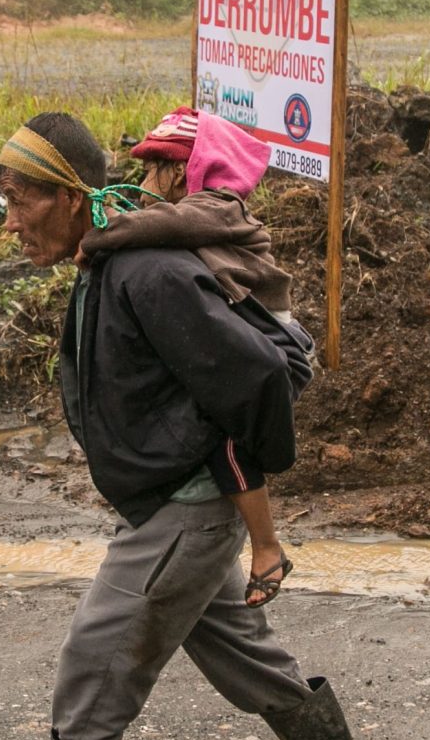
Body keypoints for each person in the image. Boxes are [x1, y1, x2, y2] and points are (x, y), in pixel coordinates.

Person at [0, 111, 374, 740]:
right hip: (173, 501)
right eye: (6, 202)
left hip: (185, 507)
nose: (12, 221)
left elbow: (256, 376)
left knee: (94, 662)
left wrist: (213, 472)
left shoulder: (146, 272)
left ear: (68, 195)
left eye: (23, 200)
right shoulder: (108, 256)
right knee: (239, 648)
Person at [80, 106, 313, 605]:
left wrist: (97, 239)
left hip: (273, 345)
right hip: (245, 337)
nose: (143, 180)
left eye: (152, 169)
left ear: (183, 171)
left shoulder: (216, 206)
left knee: (222, 439)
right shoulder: (196, 216)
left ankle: (268, 546)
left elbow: (154, 223)